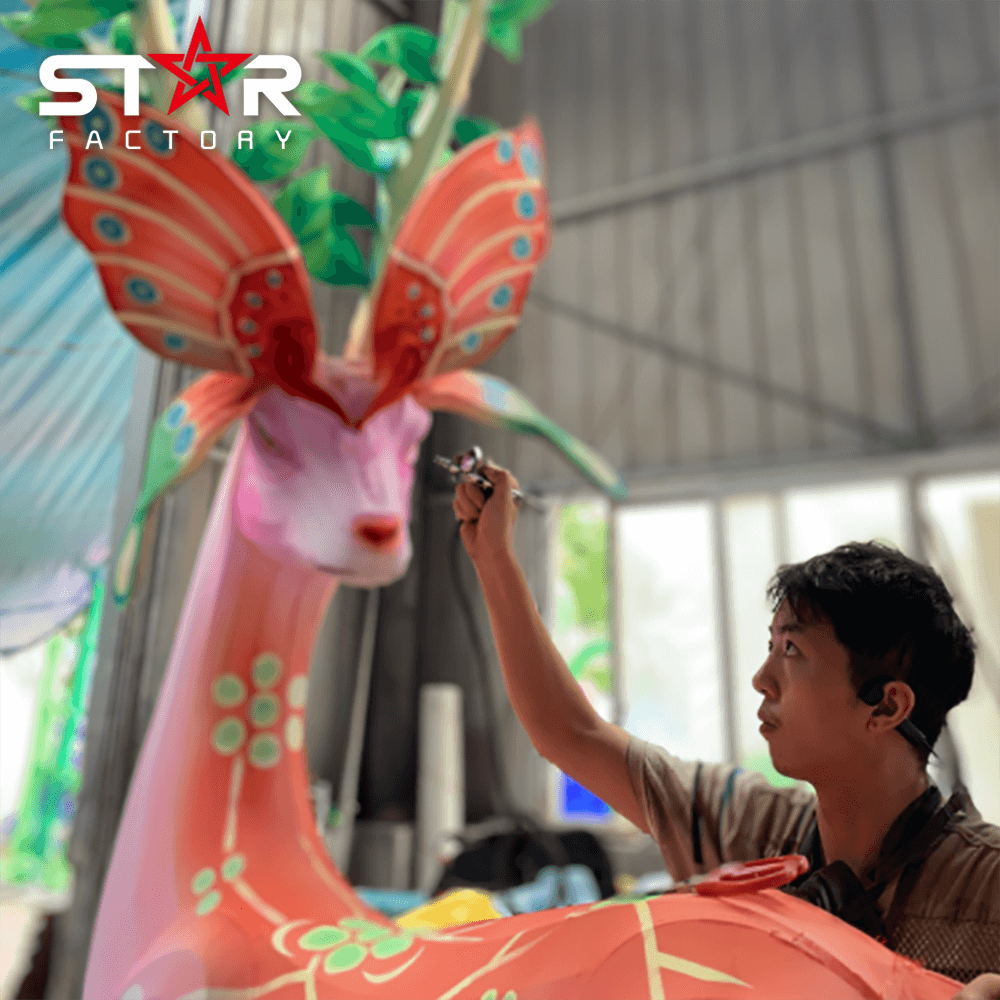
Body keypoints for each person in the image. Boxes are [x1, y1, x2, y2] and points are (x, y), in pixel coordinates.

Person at [452, 463, 1000, 996]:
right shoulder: (755, 833)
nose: (762, 679)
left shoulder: (986, 886)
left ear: (885, 706)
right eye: (770, 646)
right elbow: (572, 735)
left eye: (793, 650)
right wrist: (494, 558)